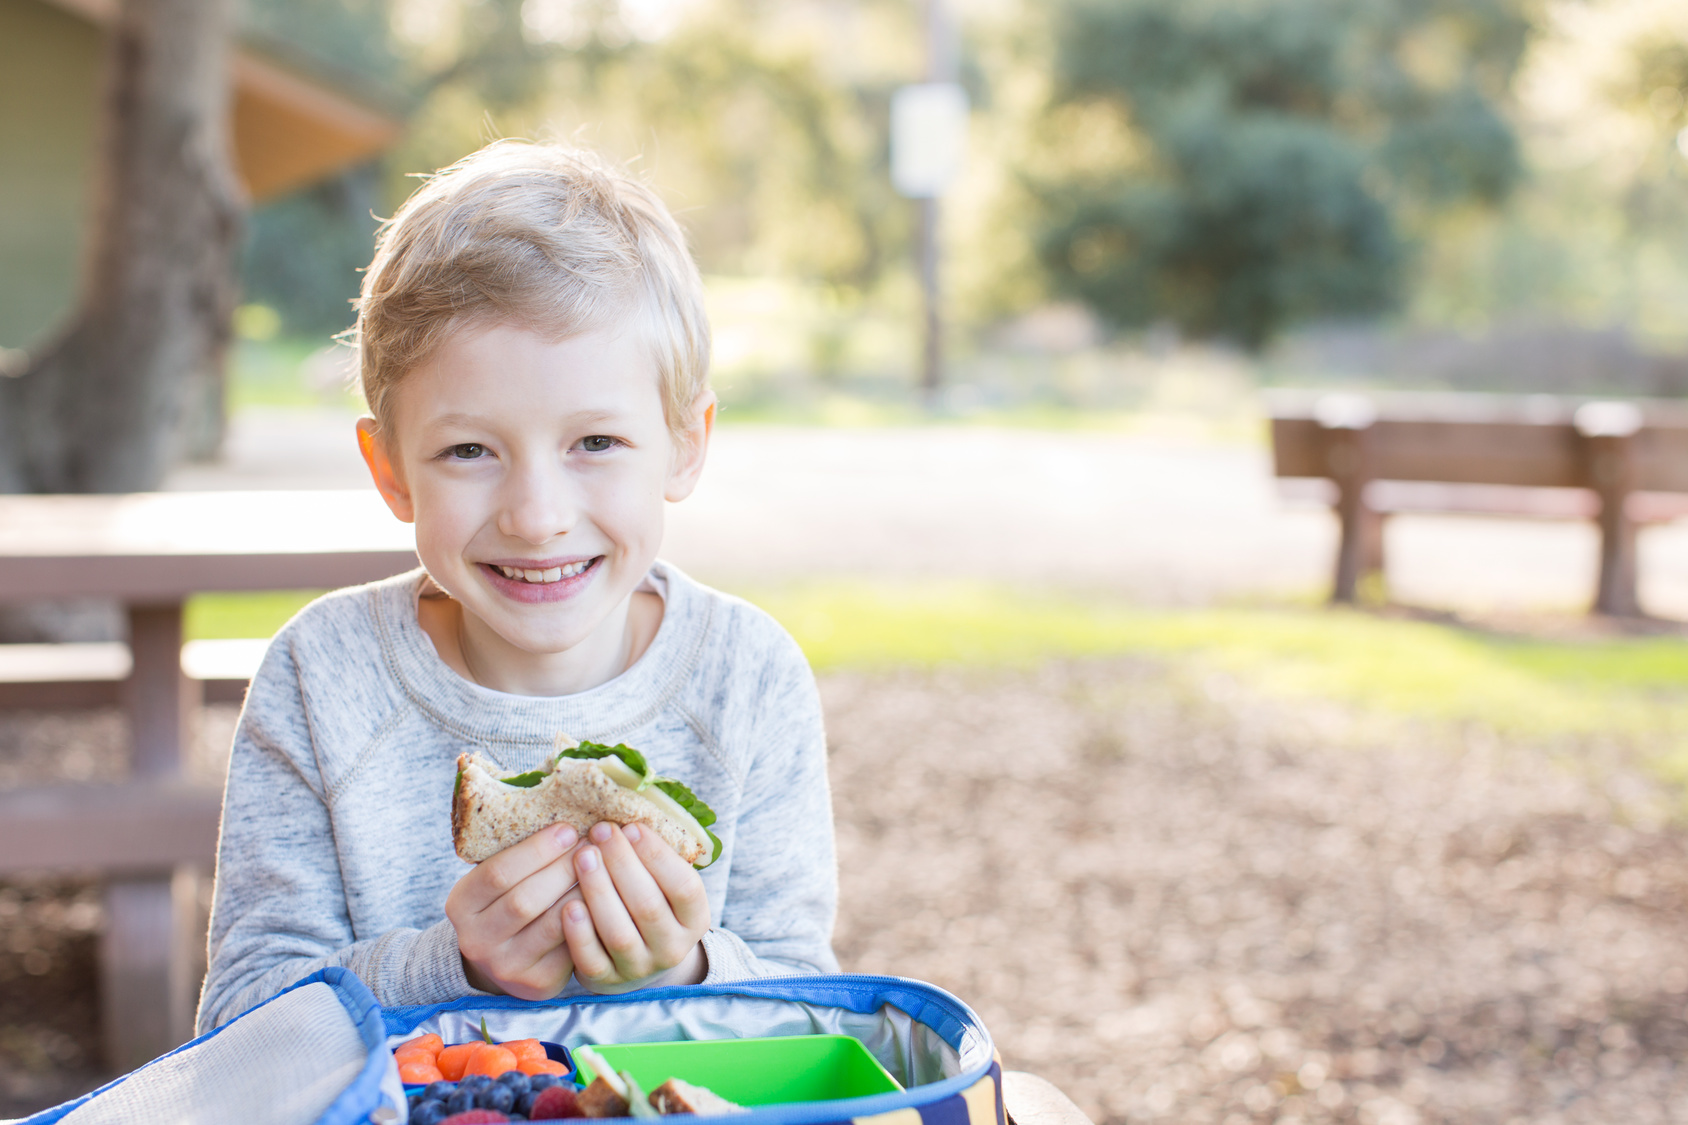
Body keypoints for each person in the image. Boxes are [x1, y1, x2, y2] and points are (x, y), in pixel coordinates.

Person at [196, 141, 838, 1033]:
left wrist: (686, 969)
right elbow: (238, 1023)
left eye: (595, 444)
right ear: (390, 470)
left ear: (685, 444)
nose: (537, 515)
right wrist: (450, 967)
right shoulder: (322, 676)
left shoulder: (747, 679)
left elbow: (813, 1015)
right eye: (469, 450)